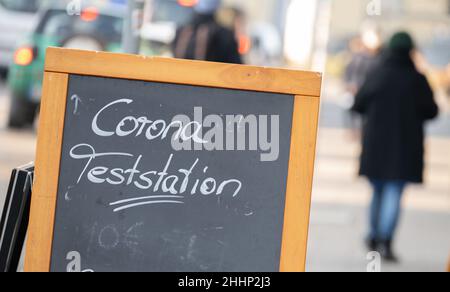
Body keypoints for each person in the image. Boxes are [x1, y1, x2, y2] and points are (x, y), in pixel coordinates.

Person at [351, 32, 439, 262]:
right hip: (405, 147)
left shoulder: (377, 74)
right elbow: (432, 111)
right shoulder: (417, 79)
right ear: (411, 50)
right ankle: (385, 241)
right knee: (394, 193)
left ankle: (373, 235)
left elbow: (358, 104)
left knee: (378, 191)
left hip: (377, 145)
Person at [172, 0, 242, 64]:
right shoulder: (224, 34)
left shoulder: (181, 31)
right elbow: (237, 66)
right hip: (212, 77)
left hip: (181, 76)